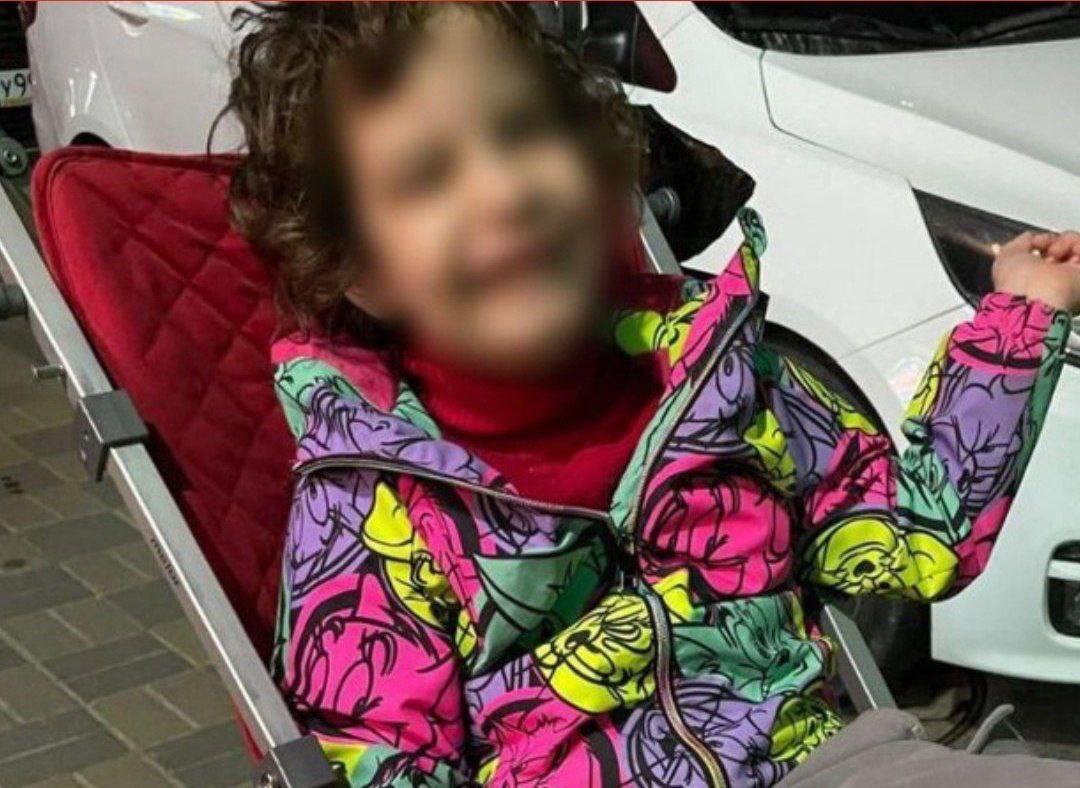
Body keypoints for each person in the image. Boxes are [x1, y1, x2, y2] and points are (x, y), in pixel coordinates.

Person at [222, 3, 1080, 786]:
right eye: (426, 177)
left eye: (521, 132)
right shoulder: (371, 512)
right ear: (362, 272)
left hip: (817, 762)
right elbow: (381, 763)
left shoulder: (718, 383)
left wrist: (1020, 319)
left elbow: (917, 534)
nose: (504, 192)